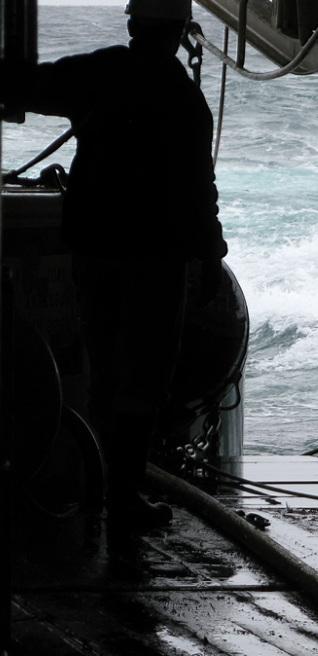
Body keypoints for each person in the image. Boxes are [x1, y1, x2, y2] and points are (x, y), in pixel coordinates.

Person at [1, 0, 227, 528]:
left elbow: (28, 87)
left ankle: (104, 488)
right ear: (181, 32)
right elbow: (199, 190)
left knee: (103, 372)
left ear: (131, 24)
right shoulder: (185, 100)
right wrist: (211, 256)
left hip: (95, 248)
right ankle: (123, 497)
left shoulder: (97, 73)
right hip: (154, 258)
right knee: (142, 378)